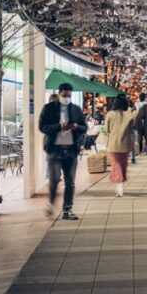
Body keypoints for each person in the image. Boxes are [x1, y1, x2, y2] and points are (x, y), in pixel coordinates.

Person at [38, 82, 87, 219]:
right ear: (59, 94)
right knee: (54, 180)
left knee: (70, 182)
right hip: (54, 150)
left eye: (69, 95)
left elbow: (84, 128)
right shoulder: (49, 109)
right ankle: (51, 203)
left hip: (71, 150)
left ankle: (67, 210)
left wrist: (76, 126)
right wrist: (59, 127)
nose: (67, 97)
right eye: (65, 95)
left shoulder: (76, 110)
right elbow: (42, 127)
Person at [104, 93, 136, 197]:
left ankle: (120, 183)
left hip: (113, 143)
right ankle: (120, 183)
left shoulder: (110, 114)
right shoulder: (129, 114)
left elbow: (107, 129)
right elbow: (133, 126)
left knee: (116, 164)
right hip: (126, 143)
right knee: (123, 164)